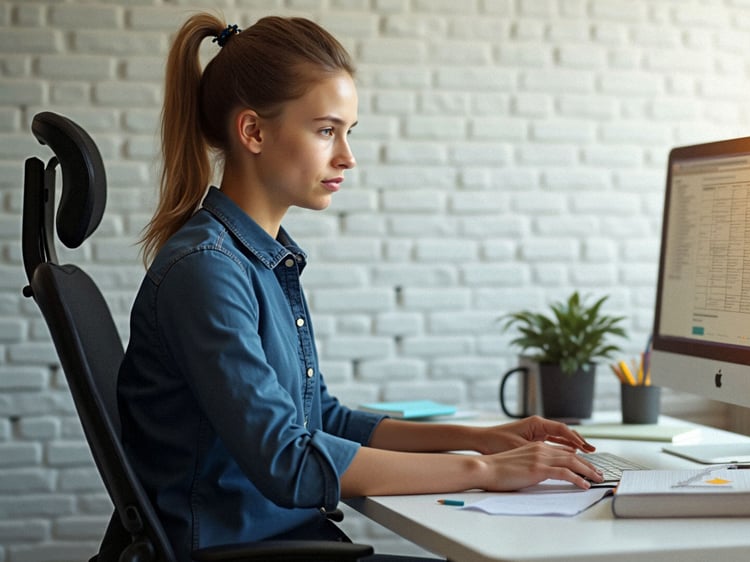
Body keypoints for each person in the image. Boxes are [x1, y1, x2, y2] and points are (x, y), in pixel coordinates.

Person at [116, 12, 603, 561]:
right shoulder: (208, 270)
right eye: (326, 130)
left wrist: (481, 436)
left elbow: (321, 419)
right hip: (240, 549)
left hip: (284, 540)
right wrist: (486, 471)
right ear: (253, 131)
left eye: (348, 132)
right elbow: (290, 463)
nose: (347, 156)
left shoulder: (259, 260)